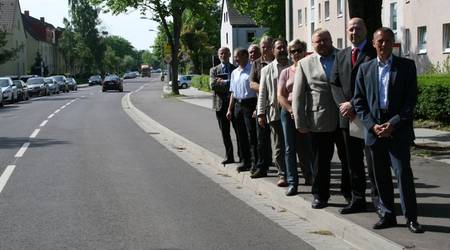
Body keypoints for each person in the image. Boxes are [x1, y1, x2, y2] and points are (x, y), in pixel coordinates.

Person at [353, 27, 424, 233]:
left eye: (386, 41)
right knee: (380, 176)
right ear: (373, 44)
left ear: (393, 43)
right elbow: (359, 102)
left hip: (398, 129)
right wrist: (372, 125)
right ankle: (387, 215)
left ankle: (411, 218)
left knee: (403, 174)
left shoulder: (406, 66)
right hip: (374, 130)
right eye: (379, 41)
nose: (383, 45)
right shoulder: (365, 69)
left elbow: (410, 101)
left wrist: (393, 123)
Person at [330, 17, 379, 214]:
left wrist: (354, 104)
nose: (353, 32)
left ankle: (379, 201)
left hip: (368, 116)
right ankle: (357, 199)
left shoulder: (374, 52)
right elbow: (334, 83)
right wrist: (343, 104)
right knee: (352, 162)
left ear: (366, 30)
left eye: (358, 28)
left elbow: (377, 85)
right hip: (346, 117)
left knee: (373, 162)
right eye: (350, 29)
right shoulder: (341, 55)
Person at [292, 29, 339, 209]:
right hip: (318, 119)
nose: (322, 43)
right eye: (318, 41)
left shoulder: (342, 56)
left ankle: (351, 194)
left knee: (350, 159)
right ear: (313, 44)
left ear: (331, 40)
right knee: (321, 162)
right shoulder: (305, 63)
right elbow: (298, 96)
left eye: (325, 40)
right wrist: (300, 122)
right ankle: (320, 195)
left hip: (344, 117)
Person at [278, 39, 313, 196]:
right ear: (289, 54)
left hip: (308, 112)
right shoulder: (286, 72)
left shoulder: (311, 68)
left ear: (304, 51)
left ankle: (311, 177)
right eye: (292, 51)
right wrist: (291, 109)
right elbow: (280, 95)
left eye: (299, 50)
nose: (296, 54)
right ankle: (293, 182)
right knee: (289, 148)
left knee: (307, 148)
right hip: (289, 112)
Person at [254, 39, 289, 182]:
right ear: (273, 50)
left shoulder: (295, 65)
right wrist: (261, 113)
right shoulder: (266, 70)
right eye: (278, 48)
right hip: (275, 113)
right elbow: (262, 93)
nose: (281, 50)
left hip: (294, 112)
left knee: (298, 146)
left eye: (283, 47)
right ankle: (282, 174)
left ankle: (307, 173)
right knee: (279, 146)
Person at [249, 36, 281, 184]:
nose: (265, 49)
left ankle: (283, 168)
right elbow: (251, 83)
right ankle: (263, 167)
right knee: (262, 139)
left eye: (267, 46)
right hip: (262, 106)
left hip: (277, 105)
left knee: (279, 140)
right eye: (263, 46)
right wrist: (265, 89)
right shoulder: (256, 63)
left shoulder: (279, 62)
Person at [226, 48, 258, 172]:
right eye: (234, 56)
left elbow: (256, 91)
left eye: (237, 56)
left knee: (252, 135)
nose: (235, 59)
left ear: (245, 56)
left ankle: (255, 163)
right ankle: (245, 161)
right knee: (241, 135)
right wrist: (229, 109)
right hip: (238, 106)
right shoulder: (234, 72)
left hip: (250, 104)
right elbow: (233, 92)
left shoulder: (252, 69)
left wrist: (257, 108)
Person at [210, 47, 240, 165]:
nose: (223, 55)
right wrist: (229, 82)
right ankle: (229, 156)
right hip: (220, 106)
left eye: (225, 53)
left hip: (234, 105)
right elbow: (213, 85)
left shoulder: (235, 69)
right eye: (221, 53)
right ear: (218, 55)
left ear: (229, 54)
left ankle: (242, 156)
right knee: (225, 133)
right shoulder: (214, 70)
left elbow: (237, 85)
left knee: (239, 132)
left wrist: (223, 82)